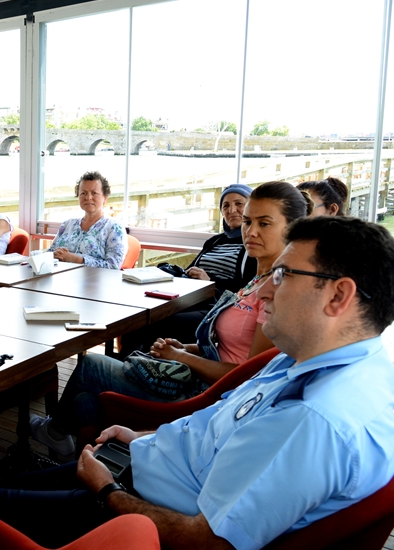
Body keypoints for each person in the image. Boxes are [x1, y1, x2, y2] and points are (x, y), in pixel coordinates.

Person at [0, 215, 394, 550]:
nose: (265, 289)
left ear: (339, 297)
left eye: (284, 275)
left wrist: (106, 492)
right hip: (143, 463)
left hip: (132, 515)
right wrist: (143, 434)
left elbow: (205, 542)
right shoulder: (319, 360)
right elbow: (228, 426)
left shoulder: (314, 420)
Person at [30, 181, 311, 456]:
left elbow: (248, 375)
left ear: (292, 229)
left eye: (264, 223)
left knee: (90, 365)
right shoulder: (257, 281)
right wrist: (186, 348)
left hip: (205, 396)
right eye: (248, 222)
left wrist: (183, 358)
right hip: (201, 377)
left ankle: (56, 434)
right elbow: (232, 349)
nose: (250, 231)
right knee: (85, 399)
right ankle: (81, 455)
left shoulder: (276, 293)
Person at [119, 184, 258, 355]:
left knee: (162, 322)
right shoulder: (214, 241)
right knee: (137, 315)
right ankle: (125, 361)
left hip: (216, 304)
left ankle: (139, 362)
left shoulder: (251, 246)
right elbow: (189, 269)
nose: (232, 210)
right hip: (192, 297)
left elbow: (246, 291)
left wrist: (210, 283)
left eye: (239, 204)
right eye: (226, 206)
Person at [46, 171, 126, 269]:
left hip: (93, 283)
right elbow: (49, 254)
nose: (88, 197)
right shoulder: (67, 224)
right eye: (83, 193)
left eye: (94, 193)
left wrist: (76, 259)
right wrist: (54, 255)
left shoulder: (114, 228)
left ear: (105, 198)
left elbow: (113, 266)